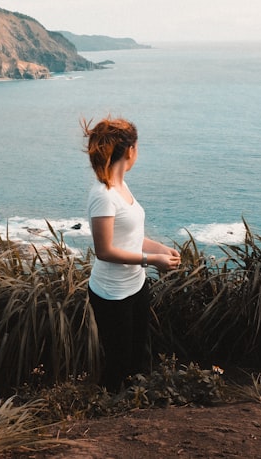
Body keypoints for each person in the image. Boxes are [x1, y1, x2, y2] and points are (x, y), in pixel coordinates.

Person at [82, 117, 180, 391]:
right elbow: (105, 250)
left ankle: (133, 411)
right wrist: (152, 260)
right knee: (118, 363)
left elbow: (130, 237)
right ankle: (105, 417)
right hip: (111, 294)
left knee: (138, 357)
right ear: (129, 151)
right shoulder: (104, 194)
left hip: (135, 285)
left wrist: (159, 249)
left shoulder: (121, 187)